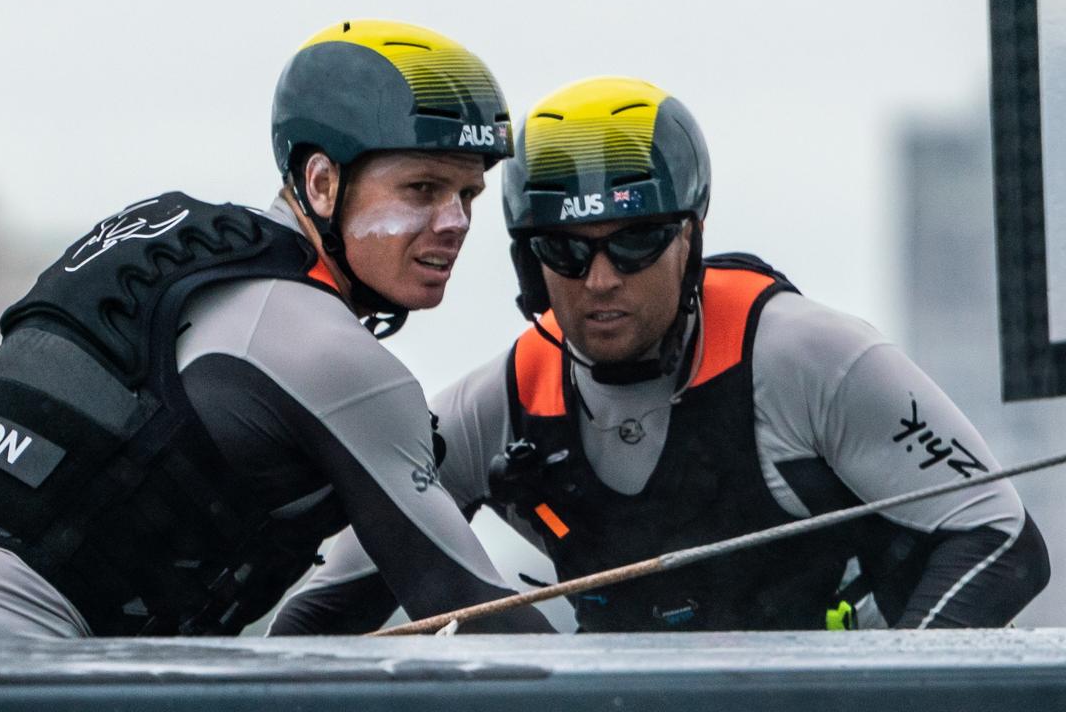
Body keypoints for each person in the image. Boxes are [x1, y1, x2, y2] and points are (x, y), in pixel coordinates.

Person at [0, 20, 554, 640]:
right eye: (421, 189)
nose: (453, 223)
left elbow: (314, 626)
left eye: (467, 194)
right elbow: (480, 613)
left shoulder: (174, 256)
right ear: (322, 182)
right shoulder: (329, 351)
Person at [270, 76, 1051, 634]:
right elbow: (323, 608)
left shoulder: (807, 355)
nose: (602, 281)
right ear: (525, 264)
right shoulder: (497, 400)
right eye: (565, 253)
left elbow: (1004, 543)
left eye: (636, 243)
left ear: (692, 238)